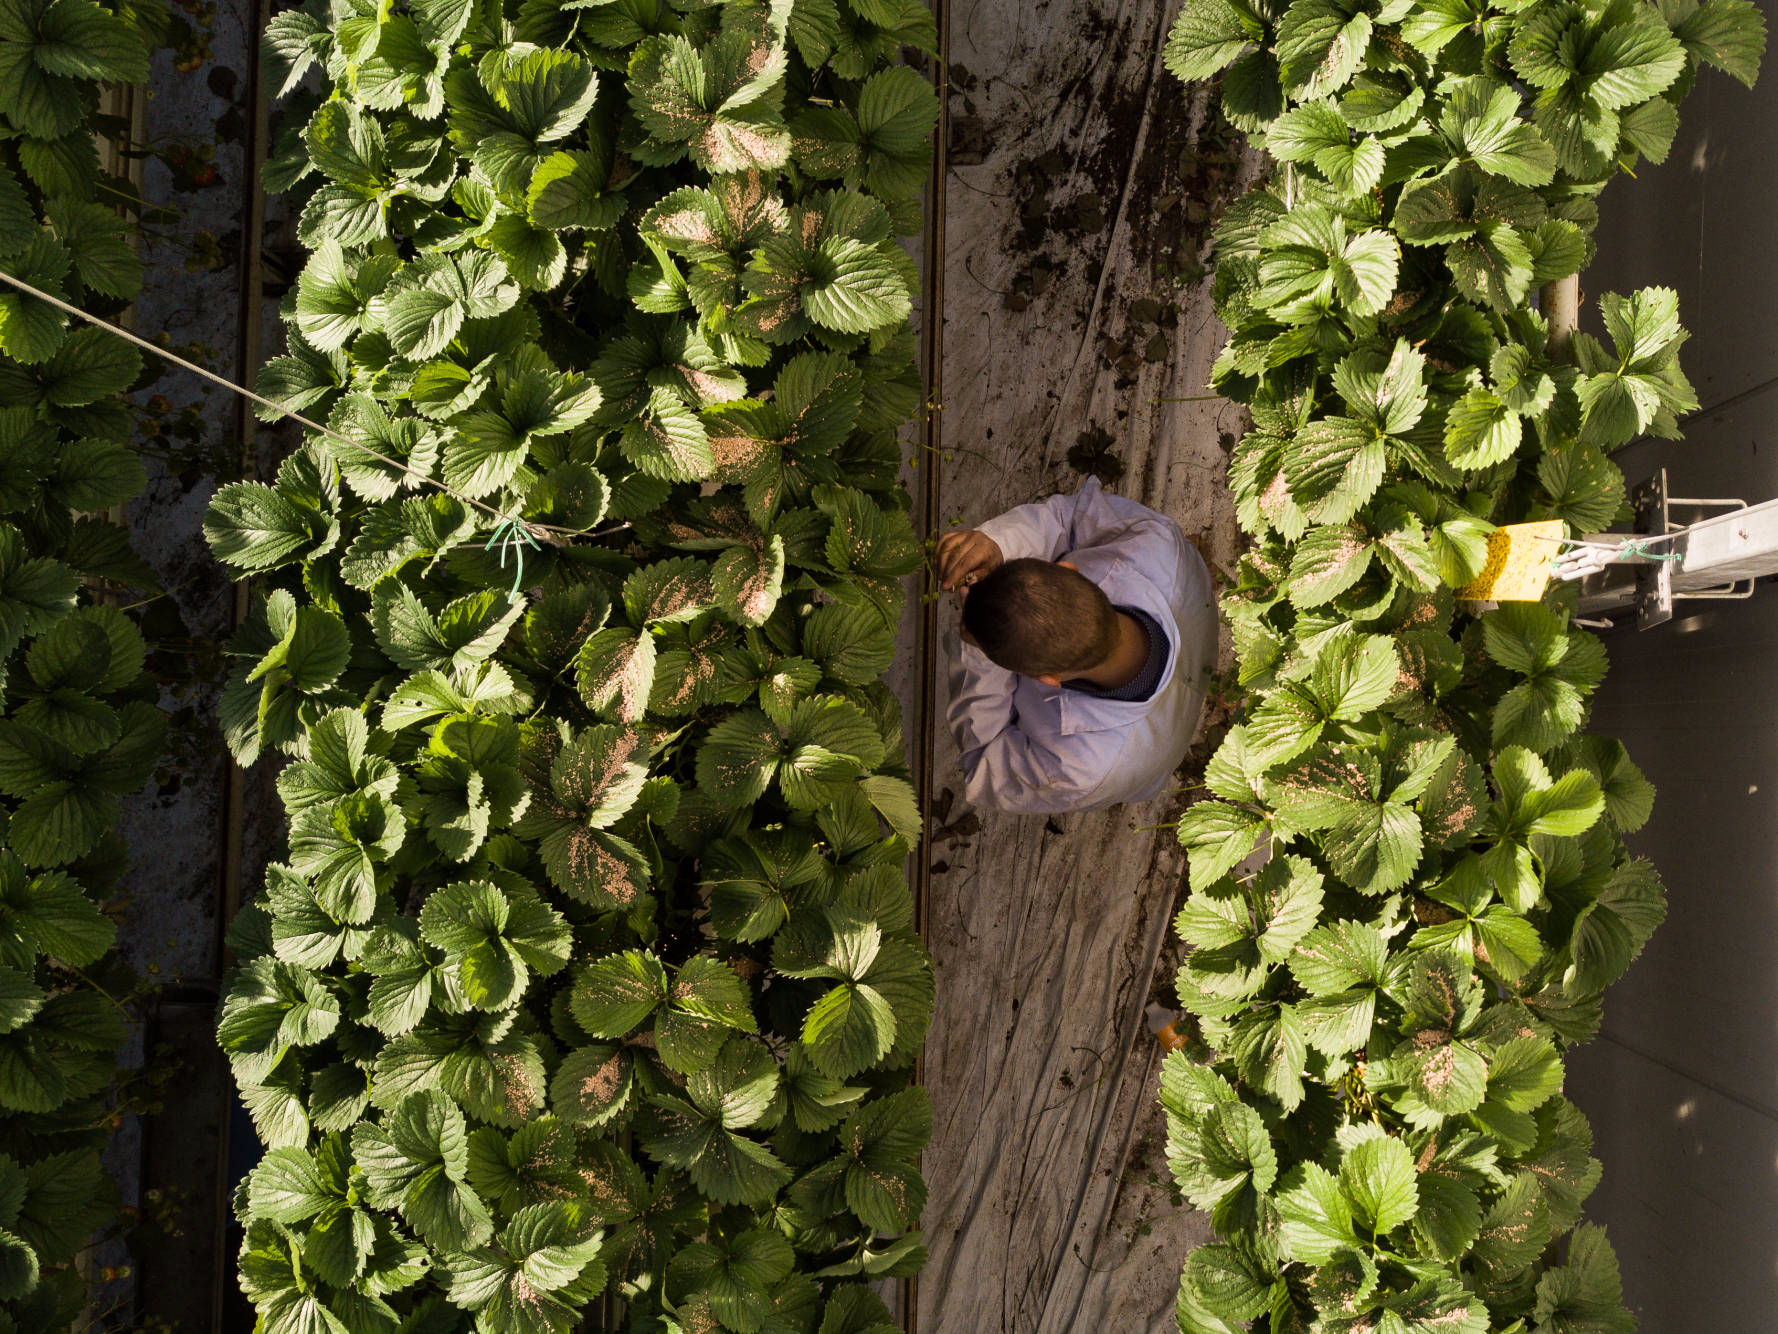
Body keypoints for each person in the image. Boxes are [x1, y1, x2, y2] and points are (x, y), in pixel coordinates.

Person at [937, 477, 1217, 814]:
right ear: (1072, 570)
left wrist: (977, 654)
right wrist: (999, 545)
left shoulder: (1080, 771)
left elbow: (984, 761)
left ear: (1049, 678)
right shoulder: (1153, 545)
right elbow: (1073, 517)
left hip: (1145, 760)